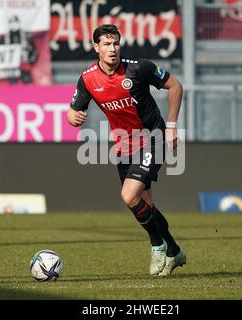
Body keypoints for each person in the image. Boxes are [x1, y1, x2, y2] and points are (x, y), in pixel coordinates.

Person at [68, 24, 186, 276]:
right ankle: (174, 252)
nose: (113, 49)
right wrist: (72, 116)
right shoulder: (88, 78)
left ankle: (157, 247)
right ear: (96, 48)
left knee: (129, 196)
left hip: (152, 137)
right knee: (146, 206)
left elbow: (175, 86)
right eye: (107, 44)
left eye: (116, 43)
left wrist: (173, 126)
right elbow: (72, 109)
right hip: (124, 145)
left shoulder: (138, 67)